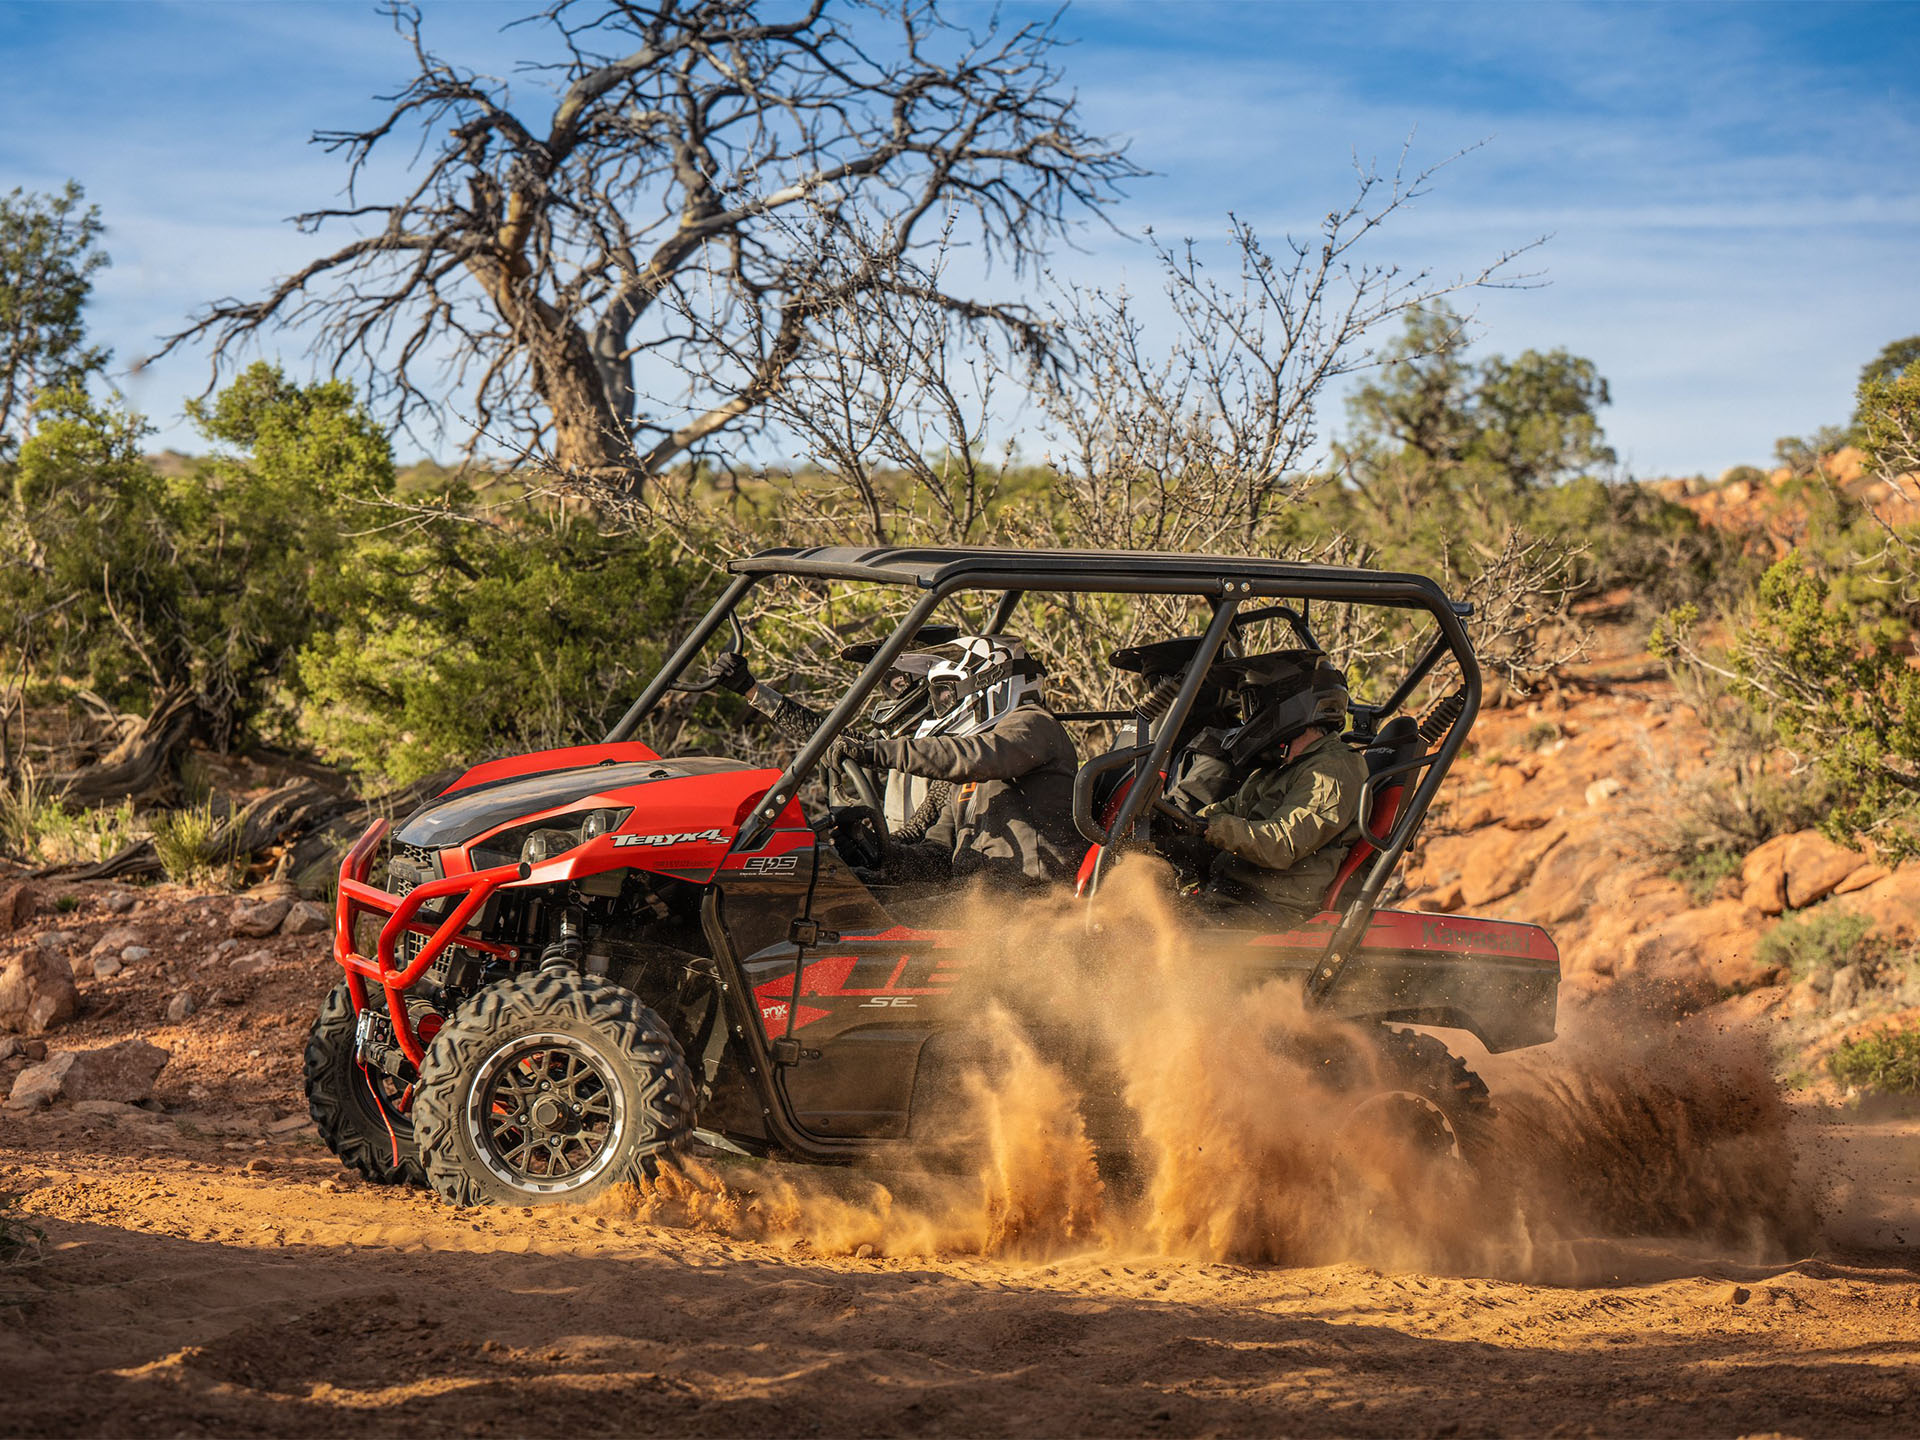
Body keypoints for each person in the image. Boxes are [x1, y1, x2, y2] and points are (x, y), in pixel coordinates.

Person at [835, 635, 1081, 888]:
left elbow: (977, 756)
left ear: (991, 684)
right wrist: (874, 850)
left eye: (945, 694)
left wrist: (876, 752)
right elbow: (940, 857)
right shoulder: (969, 774)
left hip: (1034, 899)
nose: (940, 705)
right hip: (975, 900)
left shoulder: (1034, 724)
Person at [1164, 651, 1368, 925]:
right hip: (1232, 897)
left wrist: (1212, 828)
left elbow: (1282, 843)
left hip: (1272, 910)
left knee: (1156, 939)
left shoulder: (1333, 769)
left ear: (1290, 703)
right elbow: (1221, 813)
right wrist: (1173, 823)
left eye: (1255, 704)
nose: (1250, 717)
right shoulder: (1277, 768)